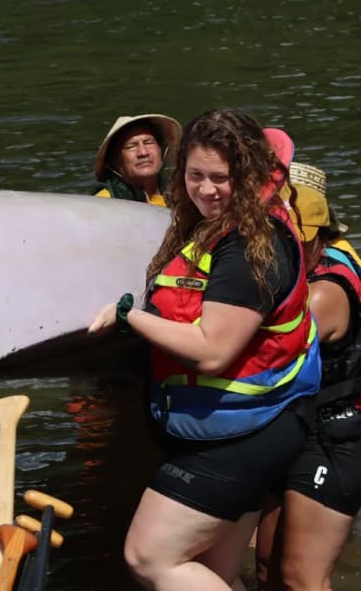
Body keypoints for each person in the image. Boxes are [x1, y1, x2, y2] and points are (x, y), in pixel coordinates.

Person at [89, 108, 322, 590]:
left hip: (243, 433)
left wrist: (130, 315)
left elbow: (212, 349)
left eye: (222, 178)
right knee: (214, 574)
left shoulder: (247, 246)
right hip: (251, 422)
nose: (206, 189)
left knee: (150, 556)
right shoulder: (221, 226)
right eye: (195, 175)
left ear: (251, 174)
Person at [254, 162, 361, 591]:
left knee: (301, 580)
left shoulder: (326, 292)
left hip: (333, 439)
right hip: (295, 431)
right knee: (267, 567)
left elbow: (252, 353)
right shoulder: (309, 267)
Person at [93, 114, 181, 206]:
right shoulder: (102, 204)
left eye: (148, 143)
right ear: (115, 161)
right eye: (131, 146)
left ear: (162, 151)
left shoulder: (181, 195)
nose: (143, 153)